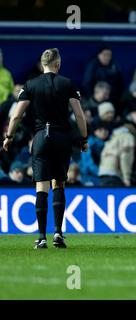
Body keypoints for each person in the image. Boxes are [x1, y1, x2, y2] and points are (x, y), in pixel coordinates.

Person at [2, 48, 88, 249]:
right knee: (59, 183)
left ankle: (41, 237)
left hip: (41, 137)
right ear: (57, 64)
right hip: (62, 137)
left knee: (41, 186)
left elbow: (16, 115)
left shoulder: (30, 85)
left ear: (43, 64)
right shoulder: (67, 84)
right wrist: (83, 139)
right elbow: (80, 115)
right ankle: (58, 233)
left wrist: (9, 137)